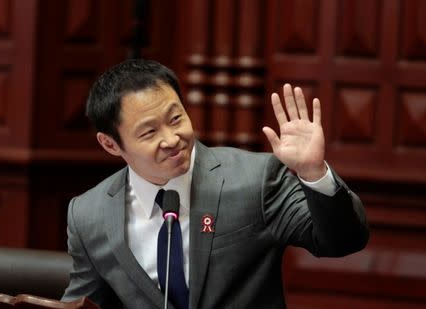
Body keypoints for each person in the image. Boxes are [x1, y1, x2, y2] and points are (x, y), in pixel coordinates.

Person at [61, 59, 369, 309]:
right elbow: (82, 303)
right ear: (110, 144)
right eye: (149, 133)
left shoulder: (254, 179)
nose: (171, 139)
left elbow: (343, 241)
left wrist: (313, 173)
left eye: (176, 118)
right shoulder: (89, 215)